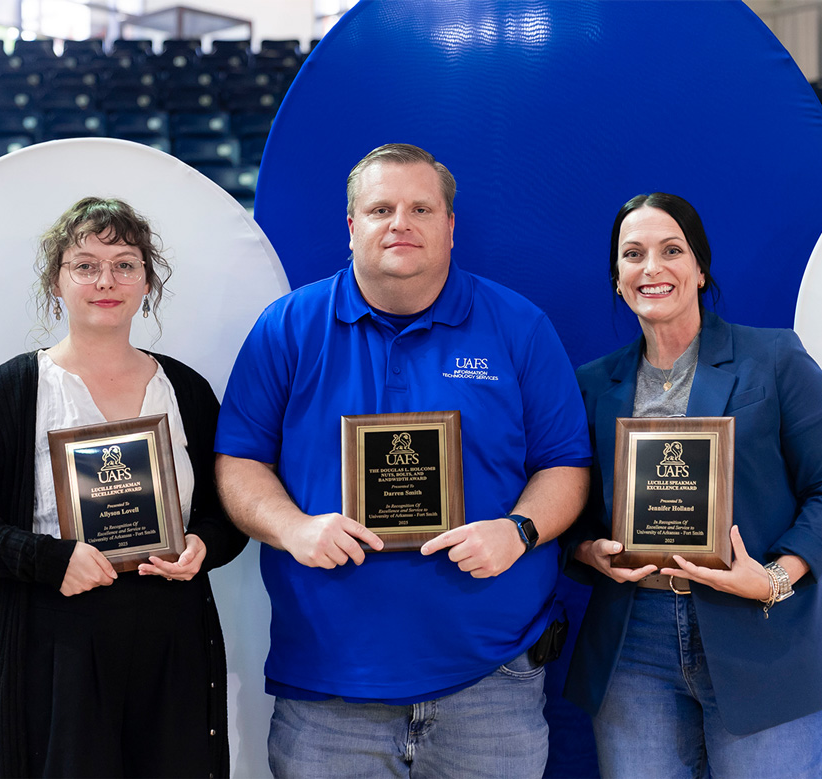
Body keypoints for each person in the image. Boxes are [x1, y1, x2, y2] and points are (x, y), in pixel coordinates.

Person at [215, 143, 591, 777]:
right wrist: (293, 528)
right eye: (381, 208)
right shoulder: (287, 328)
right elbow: (239, 464)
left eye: (422, 208)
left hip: (490, 686)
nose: (401, 223)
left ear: (449, 226)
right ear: (352, 225)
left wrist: (519, 532)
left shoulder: (518, 327)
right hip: (328, 692)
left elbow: (565, 466)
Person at [0, 197, 248, 778]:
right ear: (57, 281)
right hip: (56, 648)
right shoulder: (12, 391)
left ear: (148, 281)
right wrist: (50, 560)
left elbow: (225, 513)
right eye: (85, 265)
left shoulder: (185, 389)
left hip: (171, 642)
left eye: (125, 264)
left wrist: (203, 546)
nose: (107, 280)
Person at [564, 192, 822, 777]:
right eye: (633, 254)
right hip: (634, 645)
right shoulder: (594, 384)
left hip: (761, 632)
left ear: (699, 269)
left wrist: (773, 579)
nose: (652, 267)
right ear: (618, 278)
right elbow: (573, 508)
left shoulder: (774, 358)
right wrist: (586, 549)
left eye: (671, 250)